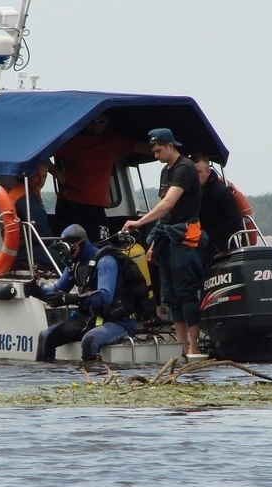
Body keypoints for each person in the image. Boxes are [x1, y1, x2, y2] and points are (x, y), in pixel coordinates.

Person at [122, 128, 207, 356]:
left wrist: (139, 223)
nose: (156, 155)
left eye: (159, 150)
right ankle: (182, 346)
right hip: (167, 237)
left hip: (185, 237)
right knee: (171, 295)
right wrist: (154, 244)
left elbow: (169, 204)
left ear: (170, 145)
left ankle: (195, 346)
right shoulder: (165, 172)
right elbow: (163, 212)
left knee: (187, 292)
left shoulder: (184, 168)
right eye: (154, 150)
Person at [23, 224, 137, 363]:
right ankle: (47, 379)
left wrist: (70, 298)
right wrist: (37, 291)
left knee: (89, 341)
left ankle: (93, 381)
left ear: (79, 245)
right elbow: (56, 292)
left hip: (118, 322)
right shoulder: (74, 265)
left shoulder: (105, 262)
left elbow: (104, 297)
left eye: (68, 248)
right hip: (92, 320)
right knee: (46, 336)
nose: (66, 253)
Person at [49, 113, 138, 242]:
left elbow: (145, 148)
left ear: (107, 123)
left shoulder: (114, 142)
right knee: (69, 245)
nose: (96, 125)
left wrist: (173, 151)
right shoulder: (72, 141)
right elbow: (40, 152)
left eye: (101, 121)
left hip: (96, 208)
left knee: (101, 244)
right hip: (70, 204)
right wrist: (60, 176)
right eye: (92, 121)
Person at [1, 162, 63, 272]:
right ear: (27, 174)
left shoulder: (26, 191)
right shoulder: (25, 195)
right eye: (36, 175)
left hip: (20, 246)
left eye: (44, 176)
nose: (40, 181)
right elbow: (40, 229)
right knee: (64, 260)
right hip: (22, 249)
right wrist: (58, 245)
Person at [192, 153, 244, 266]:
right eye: (193, 172)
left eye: (199, 172)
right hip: (198, 241)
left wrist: (210, 235)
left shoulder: (220, 191)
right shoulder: (191, 192)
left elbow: (236, 220)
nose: (196, 176)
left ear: (208, 172)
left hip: (218, 244)